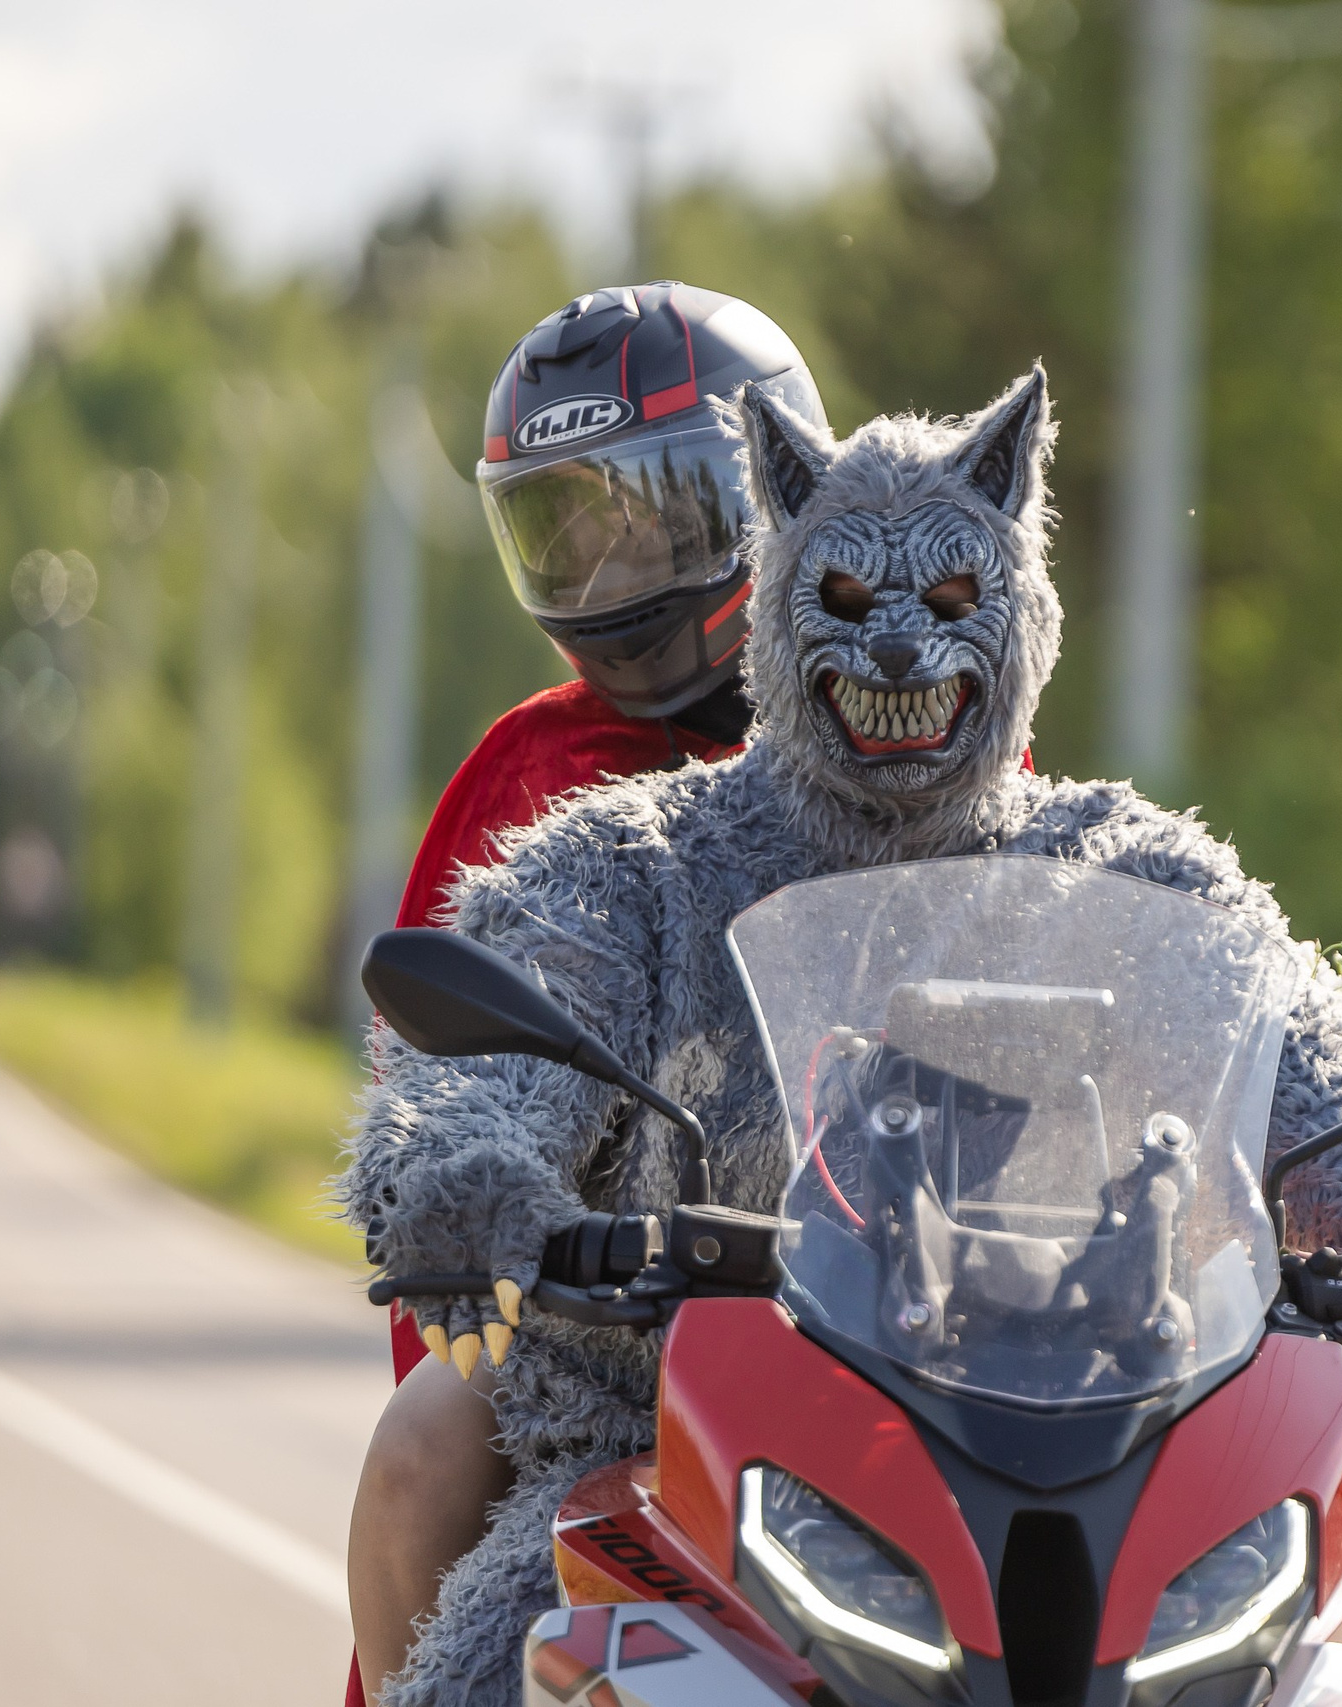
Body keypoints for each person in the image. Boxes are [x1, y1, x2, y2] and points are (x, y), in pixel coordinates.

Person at [343, 364, 1342, 1707]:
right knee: (506, 1651)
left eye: (944, 608)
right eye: (853, 607)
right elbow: (498, 1058)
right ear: (783, 599)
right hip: (677, 1438)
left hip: (1086, 1447)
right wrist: (473, 1173)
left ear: (1017, 610)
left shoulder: (1128, 874)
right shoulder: (638, 863)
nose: (895, 653)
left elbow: (1290, 1054)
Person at [343, 282, 829, 1707]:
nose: (614, 570)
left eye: (655, 514)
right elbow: (429, 1092)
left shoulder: (900, 721)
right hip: (601, 1317)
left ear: (770, 487)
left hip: (884, 1295)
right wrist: (491, 1266)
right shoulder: (525, 768)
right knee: (421, 1459)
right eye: (570, 528)